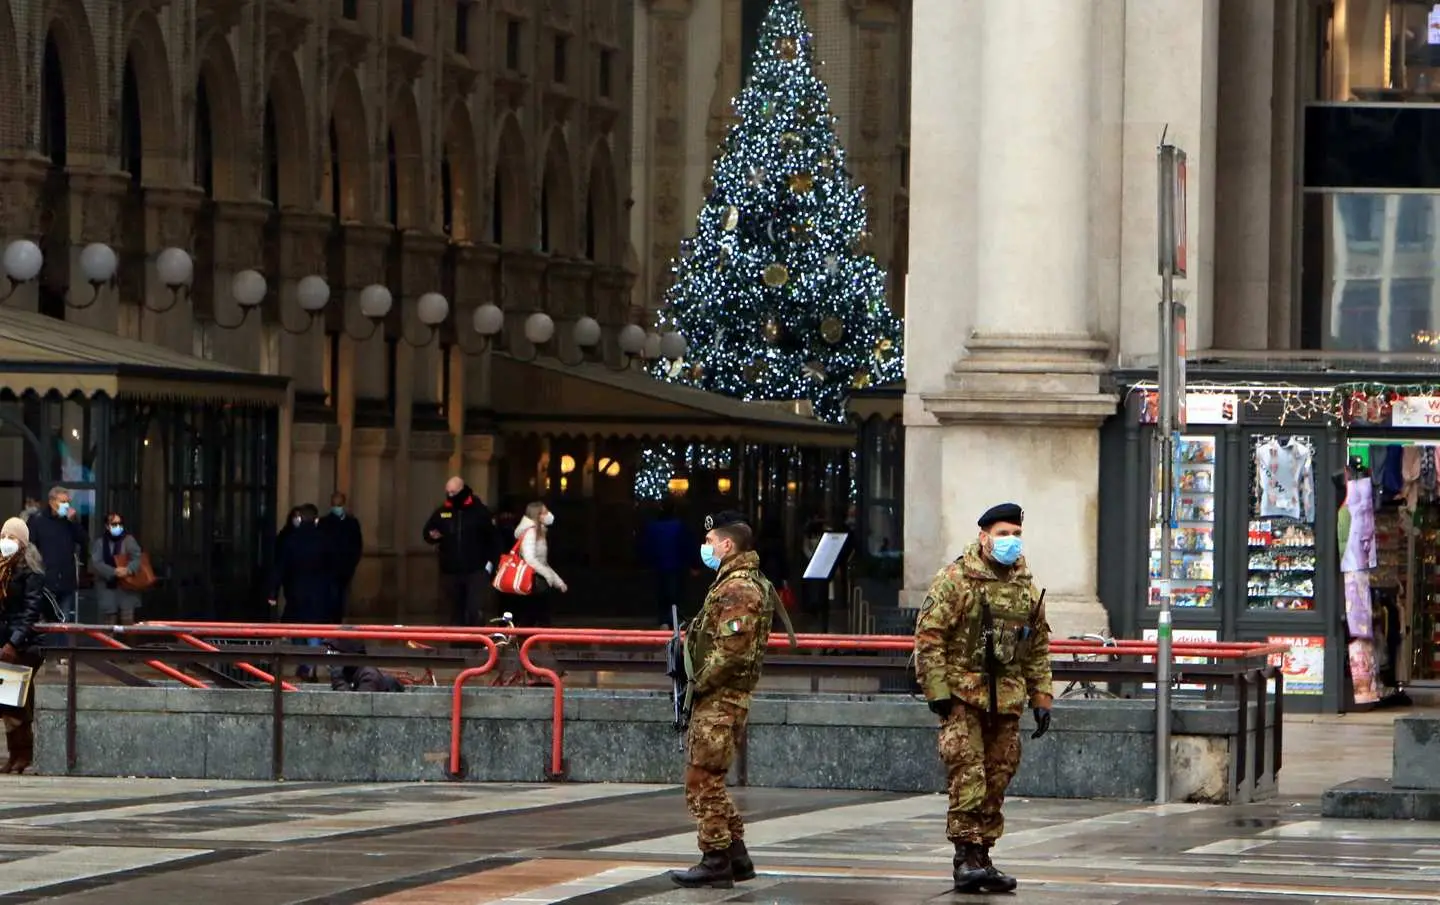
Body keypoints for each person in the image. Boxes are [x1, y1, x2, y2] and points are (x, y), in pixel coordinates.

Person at [914, 502, 1053, 894]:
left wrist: (1042, 697)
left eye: (1017, 534)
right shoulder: (956, 579)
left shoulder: (1024, 584)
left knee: (999, 774)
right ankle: (965, 857)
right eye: (1003, 534)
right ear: (984, 537)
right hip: (963, 696)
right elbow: (929, 637)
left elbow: (1038, 644)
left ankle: (983, 854)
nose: (1011, 541)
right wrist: (937, 690)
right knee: (968, 773)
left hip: (1007, 698)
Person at [669, 511, 792, 890]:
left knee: (701, 779)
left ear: (727, 545)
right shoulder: (734, 582)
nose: (704, 548)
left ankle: (716, 860)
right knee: (711, 778)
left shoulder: (738, 587)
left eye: (709, 542)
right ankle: (736, 856)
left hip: (721, 697)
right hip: (722, 696)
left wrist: (697, 683)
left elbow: (731, 651)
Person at [0, 517, 46, 773]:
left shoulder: (31, 571)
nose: (6, 542)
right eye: (4, 536)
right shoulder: (2, 568)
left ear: (23, 542)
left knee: (16, 700)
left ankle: (23, 755)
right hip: (6, 644)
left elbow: (30, 612)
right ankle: (16, 755)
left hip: (24, 646)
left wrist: (13, 643)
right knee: (10, 701)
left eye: (12, 537)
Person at [422, 476, 498, 626]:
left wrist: (490, 565)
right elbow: (428, 531)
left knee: (474, 608)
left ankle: (476, 642)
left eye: (454, 492)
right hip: (451, 570)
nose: (451, 496)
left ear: (462, 490)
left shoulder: (480, 512)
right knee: (454, 611)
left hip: (476, 570)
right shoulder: (443, 511)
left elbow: (494, 539)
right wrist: (432, 535)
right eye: (448, 492)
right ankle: (456, 644)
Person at [268, 504, 337, 658]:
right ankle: (310, 663)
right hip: (319, 593)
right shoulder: (325, 540)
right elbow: (333, 569)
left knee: (297, 631)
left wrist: (273, 591)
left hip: (295, 592)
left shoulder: (291, 540)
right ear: (316, 519)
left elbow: (280, 567)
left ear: (300, 518)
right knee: (314, 631)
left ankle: (304, 662)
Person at [26, 486, 87, 622]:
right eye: (62, 502)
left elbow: (83, 540)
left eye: (67, 502)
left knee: (63, 623)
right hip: (45, 582)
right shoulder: (37, 520)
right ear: (52, 502)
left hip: (66, 581)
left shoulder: (69, 523)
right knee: (43, 623)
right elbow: (29, 548)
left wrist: (74, 522)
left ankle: (62, 644)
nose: (66, 505)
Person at [513, 501, 567, 627]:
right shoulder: (531, 532)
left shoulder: (539, 531)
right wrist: (548, 575)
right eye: (545, 512)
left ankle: (525, 644)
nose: (549, 515)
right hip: (533, 582)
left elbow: (542, 562)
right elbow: (530, 559)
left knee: (532, 618)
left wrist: (557, 581)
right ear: (538, 515)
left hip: (537, 580)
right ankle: (526, 645)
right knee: (539, 618)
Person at [89, 512, 143, 626]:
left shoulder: (129, 540)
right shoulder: (100, 543)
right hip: (107, 588)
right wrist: (113, 572)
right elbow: (96, 563)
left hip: (127, 587)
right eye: (114, 524)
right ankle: (110, 644)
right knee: (109, 623)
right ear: (107, 526)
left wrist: (128, 570)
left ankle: (128, 644)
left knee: (128, 622)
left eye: (120, 523)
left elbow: (137, 558)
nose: (118, 526)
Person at [642, 500, 690, 627]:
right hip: (675, 566)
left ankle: (664, 620)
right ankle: (674, 621)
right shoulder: (679, 526)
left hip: (659, 566)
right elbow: (686, 545)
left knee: (662, 595)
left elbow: (647, 546)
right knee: (675, 596)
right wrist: (693, 564)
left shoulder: (653, 527)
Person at [318, 492, 363, 624]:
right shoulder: (324, 522)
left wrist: (352, 563)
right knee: (332, 597)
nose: (337, 507)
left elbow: (357, 544)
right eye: (335, 504)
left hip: (345, 568)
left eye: (339, 504)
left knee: (342, 596)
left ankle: (338, 620)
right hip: (329, 568)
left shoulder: (352, 522)